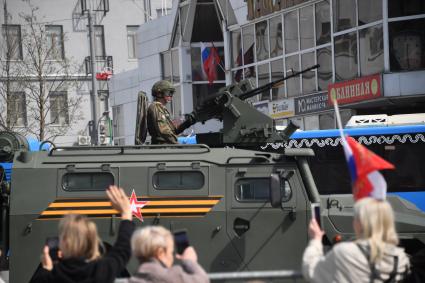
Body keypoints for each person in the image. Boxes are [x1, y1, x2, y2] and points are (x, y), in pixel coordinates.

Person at [30, 185, 134, 283]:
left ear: (64, 245)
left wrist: (46, 269)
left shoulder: (50, 276)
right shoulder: (101, 271)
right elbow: (123, 249)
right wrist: (126, 213)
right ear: (93, 243)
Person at [302, 197, 409, 283]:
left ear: (360, 223)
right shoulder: (401, 259)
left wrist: (315, 240)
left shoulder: (344, 252)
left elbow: (311, 271)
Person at [128, 226, 209, 283]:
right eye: (171, 252)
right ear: (160, 253)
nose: (172, 258)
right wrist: (190, 262)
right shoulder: (173, 278)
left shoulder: (133, 280)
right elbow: (203, 280)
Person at [147, 80, 179, 144]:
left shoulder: (161, 108)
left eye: (171, 93)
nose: (170, 96)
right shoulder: (156, 107)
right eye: (168, 93)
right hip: (162, 146)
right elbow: (164, 130)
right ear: (159, 94)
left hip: (165, 145)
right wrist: (176, 144)